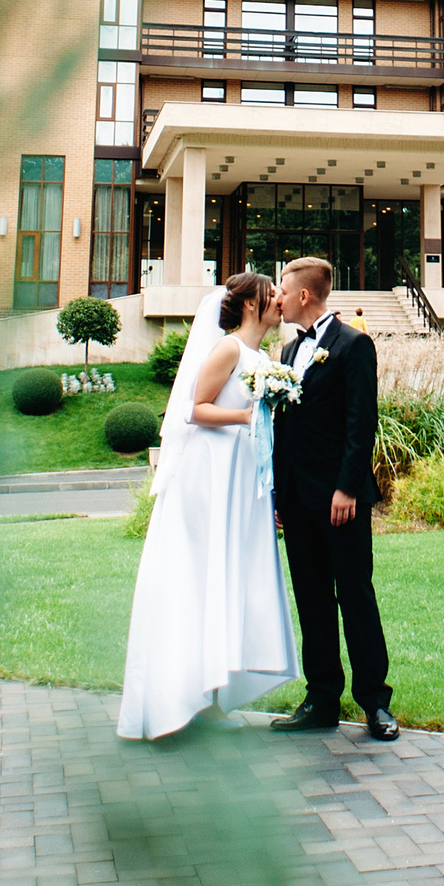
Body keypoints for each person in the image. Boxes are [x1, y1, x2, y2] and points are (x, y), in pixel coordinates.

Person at [116, 271, 299, 739]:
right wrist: (246, 414)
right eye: (272, 294)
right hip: (210, 474)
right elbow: (194, 408)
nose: (279, 300)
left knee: (227, 576)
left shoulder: (263, 357)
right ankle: (177, 695)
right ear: (251, 304)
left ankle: (213, 693)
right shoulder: (228, 349)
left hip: (241, 475)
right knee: (200, 572)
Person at [267, 256, 397, 741]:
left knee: (355, 595)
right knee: (312, 598)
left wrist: (347, 487)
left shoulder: (353, 344)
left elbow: (362, 422)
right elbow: (285, 427)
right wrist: (280, 493)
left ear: (303, 295)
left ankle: (375, 703)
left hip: (341, 499)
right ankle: (321, 698)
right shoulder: (287, 352)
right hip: (297, 500)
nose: (278, 298)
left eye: (282, 289)